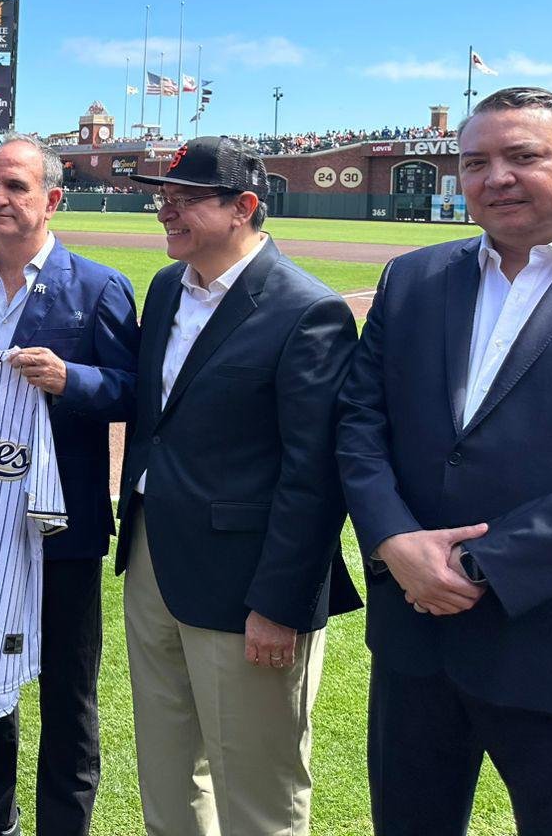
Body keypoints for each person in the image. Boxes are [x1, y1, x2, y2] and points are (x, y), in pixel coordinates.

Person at [337, 86, 552, 836]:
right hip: (416, 642)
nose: (497, 177)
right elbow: (360, 424)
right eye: (475, 162)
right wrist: (393, 542)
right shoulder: (415, 279)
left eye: (524, 156)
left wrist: (479, 568)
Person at [115, 136, 360, 836]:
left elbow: (313, 476)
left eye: (185, 199)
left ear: (244, 207)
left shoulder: (306, 310)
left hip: (248, 585)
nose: (166, 211)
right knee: (167, 770)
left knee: (258, 789)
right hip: (154, 558)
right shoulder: (168, 287)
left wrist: (280, 604)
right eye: (164, 197)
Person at [0, 133, 139, 836]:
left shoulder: (99, 285)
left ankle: (63, 827)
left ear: (51, 199)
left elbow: (134, 392)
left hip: (65, 525)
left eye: (15, 187)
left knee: (69, 691)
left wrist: (71, 380)